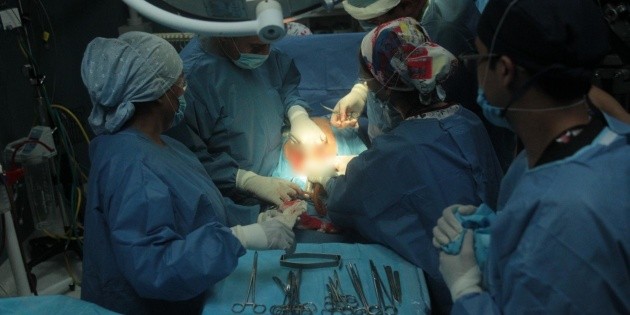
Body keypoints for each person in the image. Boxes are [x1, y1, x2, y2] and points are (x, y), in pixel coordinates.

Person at [80, 32, 299, 315]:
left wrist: (255, 218)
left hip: (193, 291)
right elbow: (156, 268)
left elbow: (196, 206)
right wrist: (243, 238)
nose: (185, 90)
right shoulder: (131, 168)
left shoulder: (164, 144)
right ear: (158, 95)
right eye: (180, 83)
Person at [432, 0, 630, 313]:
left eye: (479, 59)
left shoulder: (562, 217)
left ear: (504, 70)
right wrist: (501, 234)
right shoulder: (610, 138)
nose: (477, 71)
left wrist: (466, 290)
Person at [308, 18, 503, 313]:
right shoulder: (467, 120)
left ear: (384, 86)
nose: (364, 85)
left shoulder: (397, 150)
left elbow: (344, 203)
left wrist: (326, 176)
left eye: (366, 79)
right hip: (503, 274)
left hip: (453, 293)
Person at [337, 0, 516, 171]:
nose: (373, 27)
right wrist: (360, 89)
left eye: (376, 20)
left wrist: (372, 164)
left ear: (409, 4)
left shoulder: (449, 31)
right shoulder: (395, 22)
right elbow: (382, 56)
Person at [167, 34, 325, 207]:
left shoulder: (265, 52)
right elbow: (186, 155)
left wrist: (297, 114)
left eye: (268, 44)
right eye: (256, 48)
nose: (265, 53)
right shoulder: (191, 79)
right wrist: (245, 180)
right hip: (230, 200)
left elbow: (286, 86)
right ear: (224, 37)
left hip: (277, 176)